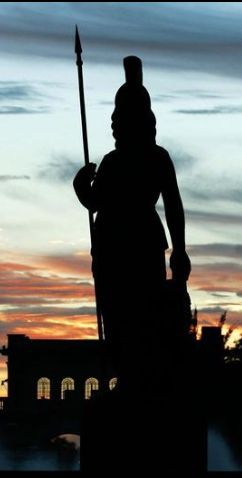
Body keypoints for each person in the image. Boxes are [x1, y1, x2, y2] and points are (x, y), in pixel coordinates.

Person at [73, 56, 190, 397]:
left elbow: (173, 204)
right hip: (111, 247)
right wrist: (82, 187)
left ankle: (144, 381)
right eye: (113, 118)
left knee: (144, 315)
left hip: (139, 243)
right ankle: (128, 379)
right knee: (116, 317)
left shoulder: (155, 157)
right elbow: (96, 202)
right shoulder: (112, 161)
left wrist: (180, 249)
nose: (113, 124)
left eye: (118, 118)